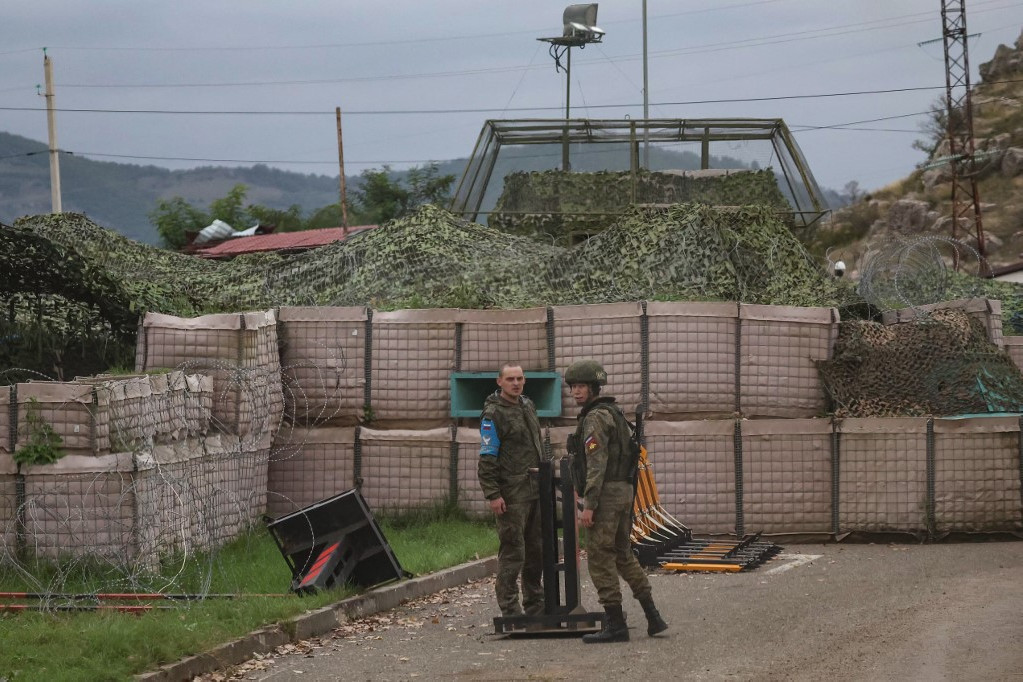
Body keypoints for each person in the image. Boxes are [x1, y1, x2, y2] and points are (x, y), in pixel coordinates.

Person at [565, 359, 668, 643]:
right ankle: (653, 616)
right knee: (623, 554)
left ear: (595, 387)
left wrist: (589, 504)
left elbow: (596, 463)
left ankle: (616, 624)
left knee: (599, 558)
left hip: (605, 495)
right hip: (622, 492)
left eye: (582, 386)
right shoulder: (614, 412)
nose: (576, 392)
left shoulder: (595, 418)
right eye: (573, 387)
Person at [478, 363, 544, 618]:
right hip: (512, 493)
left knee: (535, 551)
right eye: (510, 379)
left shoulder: (527, 405)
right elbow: (487, 456)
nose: (515, 383)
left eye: (520, 379)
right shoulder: (493, 414)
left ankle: (535, 604)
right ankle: (510, 608)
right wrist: (493, 494)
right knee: (513, 551)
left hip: (535, 489)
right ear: (499, 382)